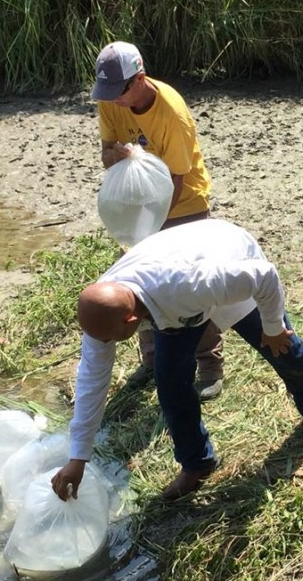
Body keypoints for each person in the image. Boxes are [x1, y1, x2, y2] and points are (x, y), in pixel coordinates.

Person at [50, 219, 303, 502]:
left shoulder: (190, 283)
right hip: (176, 302)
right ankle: (197, 462)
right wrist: (78, 457)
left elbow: (264, 276)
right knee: (170, 382)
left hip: (226, 255)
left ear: (132, 320)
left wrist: (272, 328)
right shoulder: (101, 310)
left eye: (111, 339)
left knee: (282, 350)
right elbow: (92, 377)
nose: (105, 345)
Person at [90, 41, 225, 400]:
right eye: (107, 92)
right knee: (137, 284)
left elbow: (177, 181)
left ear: (140, 79)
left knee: (191, 284)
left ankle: (209, 363)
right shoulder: (110, 99)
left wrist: (153, 234)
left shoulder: (171, 113)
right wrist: (115, 155)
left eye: (118, 92)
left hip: (184, 206)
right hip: (139, 208)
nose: (113, 100)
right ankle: (151, 360)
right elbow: (105, 153)